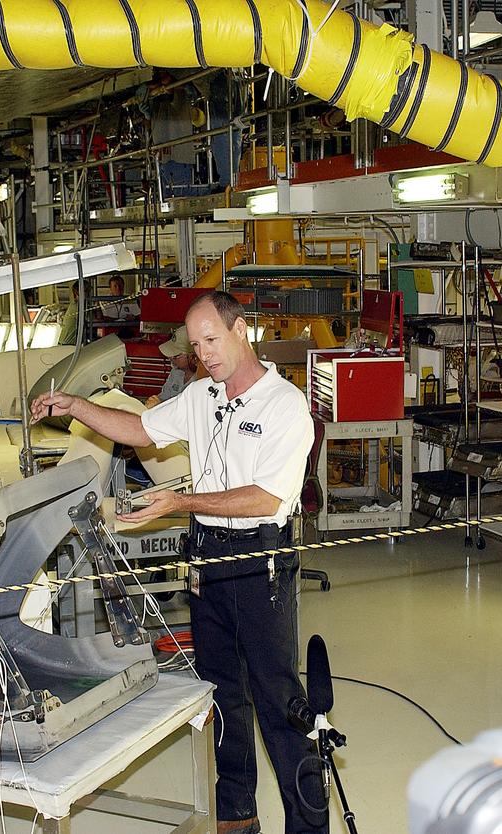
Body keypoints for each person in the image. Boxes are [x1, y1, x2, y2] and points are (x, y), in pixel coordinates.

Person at [31, 291, 326, 834]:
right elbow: (140, 430)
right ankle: (237, 819)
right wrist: (76, 406)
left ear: (242, 331)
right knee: (222, 698)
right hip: (206, 558)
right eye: (196, 345)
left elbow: (264, 498)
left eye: (212, 340)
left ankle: (308, 828)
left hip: (259, 561)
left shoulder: (285, 407)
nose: (204, 354)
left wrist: (180, 502)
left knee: (279, 703)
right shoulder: (199, 396)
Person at [146, 325, 196, 406]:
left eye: (176, 356)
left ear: (193, 356)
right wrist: (155, 401)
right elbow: (164, 396)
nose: (171, 358)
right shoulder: (176, 372)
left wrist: (161, 405)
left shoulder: (203, 379)